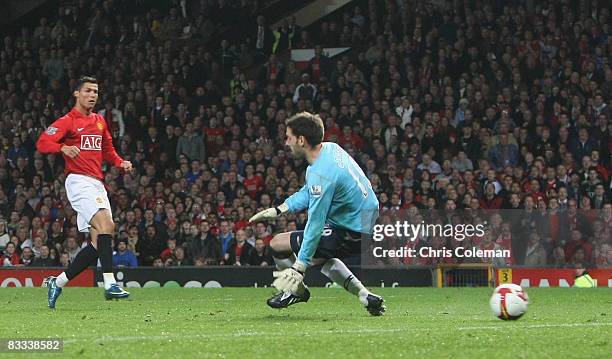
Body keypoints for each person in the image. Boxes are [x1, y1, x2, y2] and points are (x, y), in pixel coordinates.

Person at [249, 112, 385, 316]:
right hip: (362, 224)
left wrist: (299, 268)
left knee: (278, 244)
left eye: (289, 137)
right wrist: (281, 209)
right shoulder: (331, 149)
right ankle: (365, 295)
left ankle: (294, 291)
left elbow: (315, 224)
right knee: (322, 257)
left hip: (351, 231)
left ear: (301, 140)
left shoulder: (322, 173)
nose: (286, 143)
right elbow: (310, 190)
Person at [36, 75, 131, 309]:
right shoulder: (68, 121)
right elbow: (42, 143)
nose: (92, 95)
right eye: (88, 91)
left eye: (96, 92)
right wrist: (63, 147)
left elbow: (108, 149)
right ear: (77, 94)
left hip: (97, 183)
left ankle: (57, 282)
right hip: (78, 182)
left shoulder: (99, 121)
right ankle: (110, 284)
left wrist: (120, 163)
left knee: (99, 242)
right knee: (107, 225)